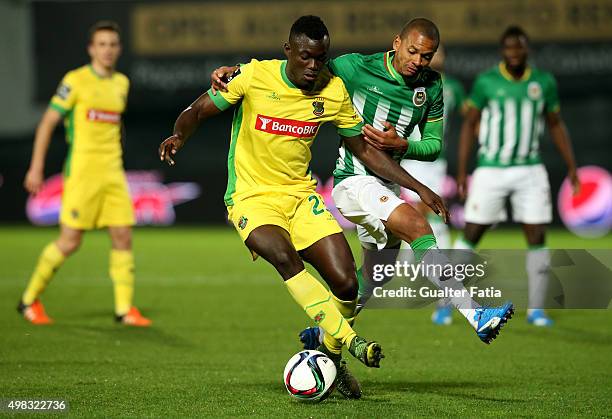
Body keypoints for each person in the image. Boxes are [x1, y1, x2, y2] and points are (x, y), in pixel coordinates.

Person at [160, 15, 452, 399]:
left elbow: (365, 149)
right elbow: (198, 110)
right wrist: (179, 135)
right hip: (252, 197)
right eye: (305, 57)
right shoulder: (253, 76)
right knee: (284, 256)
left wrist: (418, 187)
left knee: (347, 281)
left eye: (320, 58)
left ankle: (328, 355)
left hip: (301, 197)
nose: (313, 66)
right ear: (288, 52)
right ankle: (352, 342)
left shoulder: (332, 91)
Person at [212, 19, 514, 350]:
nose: (417, 61)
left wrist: (403, 146)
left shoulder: (432, 86)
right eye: (412, 51)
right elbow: (301, 63)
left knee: (375, 276)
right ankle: (477, 315)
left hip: (388, 186)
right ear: (397, 42)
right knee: (416, 226)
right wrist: (237, 72)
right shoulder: (355, 67)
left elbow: (433, 145)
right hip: (354, 181)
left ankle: (326, 334)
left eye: (426, 56)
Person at [19, 21, 151, 327]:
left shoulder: (121, 83)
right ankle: (28, 299)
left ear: (118, 49)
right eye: (102, 44)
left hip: (113, 172)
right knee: (69, 241)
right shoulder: (75, 81)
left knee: (122, 235)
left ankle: (124, 310)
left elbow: (116, 126)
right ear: (92, 49)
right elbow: (48, 122)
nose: (108, 50)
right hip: (83, 172)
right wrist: (36, 167)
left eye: (113, 44)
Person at [454, 25, 580, 327]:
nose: (514, 53)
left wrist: (572, 165)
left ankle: (537, 309)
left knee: (537, 236)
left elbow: (555, 124)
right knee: (472, 233)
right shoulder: (486, 82)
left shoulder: (543, 82)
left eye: (519, 48)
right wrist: (461, 170)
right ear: (502, 51)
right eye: (509, 48)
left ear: (527, 50)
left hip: (529, 168)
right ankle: (450, 301)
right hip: (491, 168)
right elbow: (469, 127)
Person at [398, 45, 469, 325]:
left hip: (435, 160)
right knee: (410, 212)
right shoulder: (410, 81)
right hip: (409, 157)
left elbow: (470, 115)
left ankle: (440, 276)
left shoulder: (452, 87)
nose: (434, 58)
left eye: (438, 54)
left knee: (433, 214)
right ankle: (409, 264)